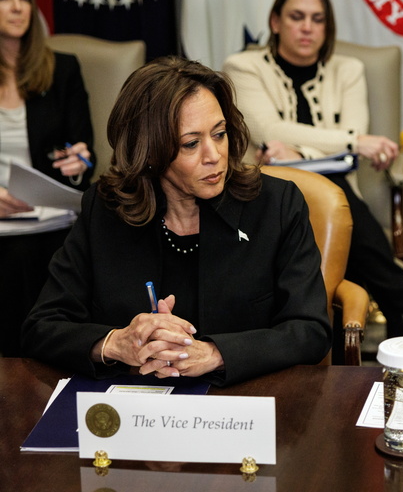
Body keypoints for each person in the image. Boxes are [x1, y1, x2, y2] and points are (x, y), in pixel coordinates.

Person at [22, 56, 331, 386]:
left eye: (220, 133)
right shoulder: (106, 208)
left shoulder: (276, 206)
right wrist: (116, 343)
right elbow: (41, 326)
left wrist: (214, 354)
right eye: (191, 143)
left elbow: (309, 330)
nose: (213, 155)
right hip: (134, 409)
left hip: (243, 405)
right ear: (150, 151)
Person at [223, 0, 403, 339]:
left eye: (318, 19)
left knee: (333, 190)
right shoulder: (242, 67)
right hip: (265, 191)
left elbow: (349, 132)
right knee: (334, 190)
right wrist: (349, 143)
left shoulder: (349, 70)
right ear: (275, 23)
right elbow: (269, 129)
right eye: (296, 16)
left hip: (335, 189)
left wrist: (300, 153)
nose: (307, 27)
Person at [0, 0, 94, 357]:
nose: (18, 7)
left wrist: (79, 164)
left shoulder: (62, 70)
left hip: (47, 217)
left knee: (41, 255)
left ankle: (41, 365)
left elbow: (86, 155)